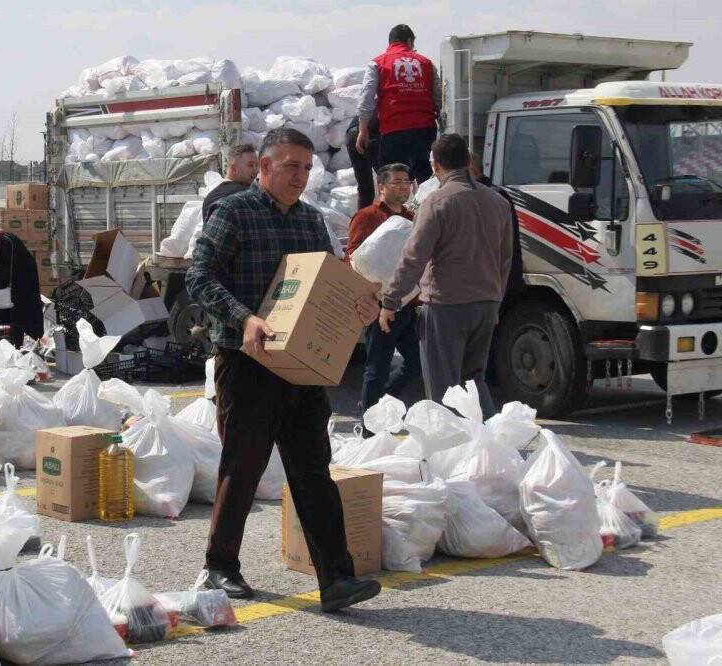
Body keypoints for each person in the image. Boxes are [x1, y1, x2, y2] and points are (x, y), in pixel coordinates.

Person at [186, 127, 383, 612]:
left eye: (307, 168)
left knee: (314, 471)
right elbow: (199, 275)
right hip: (248, 360)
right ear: (265, 167)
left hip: (301, 367)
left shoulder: (313, 222)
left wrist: (354, 308)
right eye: (291, 166)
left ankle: (336, 579)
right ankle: (220, 566)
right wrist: (245, 317)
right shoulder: (234, 212)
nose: (301, 176)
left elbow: (329, 285)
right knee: (243, 466)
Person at [379, 134, 512, 418]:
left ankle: (450, 454)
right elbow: (505, 258)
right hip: (486, 305)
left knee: (443, 389)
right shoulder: (498, 202)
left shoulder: (436, 202)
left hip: (446, 306)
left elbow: (414, 256)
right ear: (468, 161)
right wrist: (496, 301)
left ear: (436, 166)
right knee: (474, 381)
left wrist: (390, 301)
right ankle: (491, 446)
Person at [346, 164, 422, 420]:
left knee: (416, 364)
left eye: (407, 181)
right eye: (397, 182)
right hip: (378, 307)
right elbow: (354, 259)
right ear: (381, 187)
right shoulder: (367, 217)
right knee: (376, 367)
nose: (404, 186)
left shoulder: (412, 219)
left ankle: (377, 407)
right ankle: (370, 425)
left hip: (406, 305)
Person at [356, 24, 441, 184]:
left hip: (394, 129)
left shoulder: (377, 63)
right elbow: (438, 98)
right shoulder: (427, 63)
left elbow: (366, 98)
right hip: (425, 129)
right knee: (424, 172)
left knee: (392, 178)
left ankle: (393, 207)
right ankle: (428, 205)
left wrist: (363, 129)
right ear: (409, 41)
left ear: (390, 42)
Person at [469, 153, 524, 299]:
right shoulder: (495, 195)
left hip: (491, 286)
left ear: (472, 170)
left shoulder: (487, 197)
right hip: (498, 284)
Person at [201, 144, 259, 222]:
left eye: (257, 165)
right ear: (234, 168)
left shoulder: (210, 196)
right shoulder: (248, 193)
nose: (256, 170)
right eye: (251, 165)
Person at [345, 115, 380, 209]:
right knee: (388, 185)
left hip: (352, 132)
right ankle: (389, 221)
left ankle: (362, 222)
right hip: (371, 133)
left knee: (365, 189)